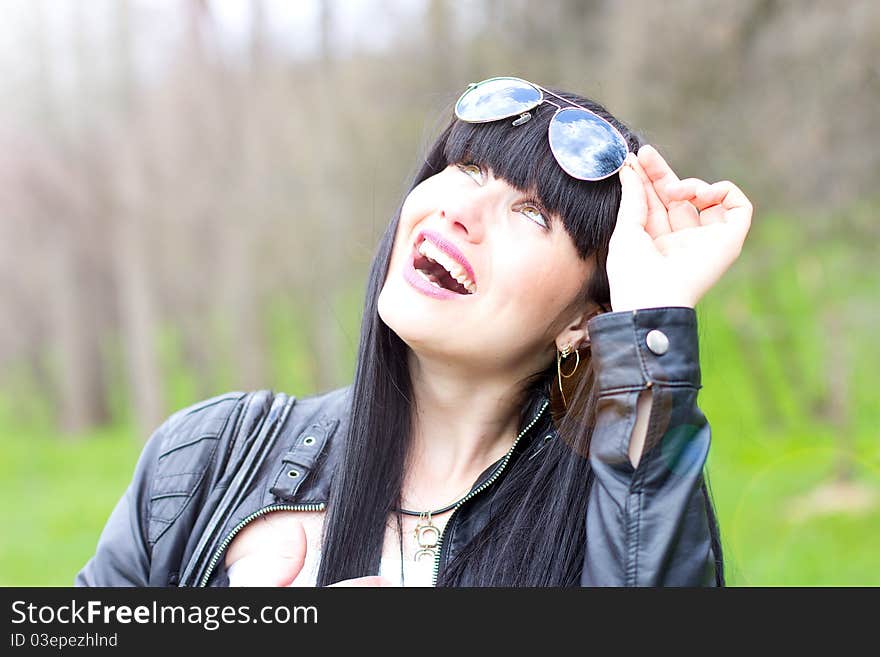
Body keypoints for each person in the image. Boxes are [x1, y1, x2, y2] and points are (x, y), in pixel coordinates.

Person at [75, 76, 752, 588]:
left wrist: (648, 319)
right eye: (467, 168)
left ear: (584, 322)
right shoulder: (205, 461)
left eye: (532, 212)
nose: (462, 208)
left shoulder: (611, 524)